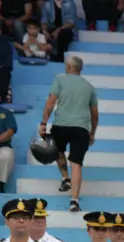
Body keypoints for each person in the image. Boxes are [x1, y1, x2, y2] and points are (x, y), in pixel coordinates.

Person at [37, 54, 98, 213]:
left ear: (69, 67)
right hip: (81, 128)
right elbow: (95, 114)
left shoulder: (60, 80)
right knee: (76, 163)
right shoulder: (89, 87)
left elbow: (50, 103)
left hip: (61, 125)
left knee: (57, 150)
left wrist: (43, 123)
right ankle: (74, 201)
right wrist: (92, 132)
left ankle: (65, 178)